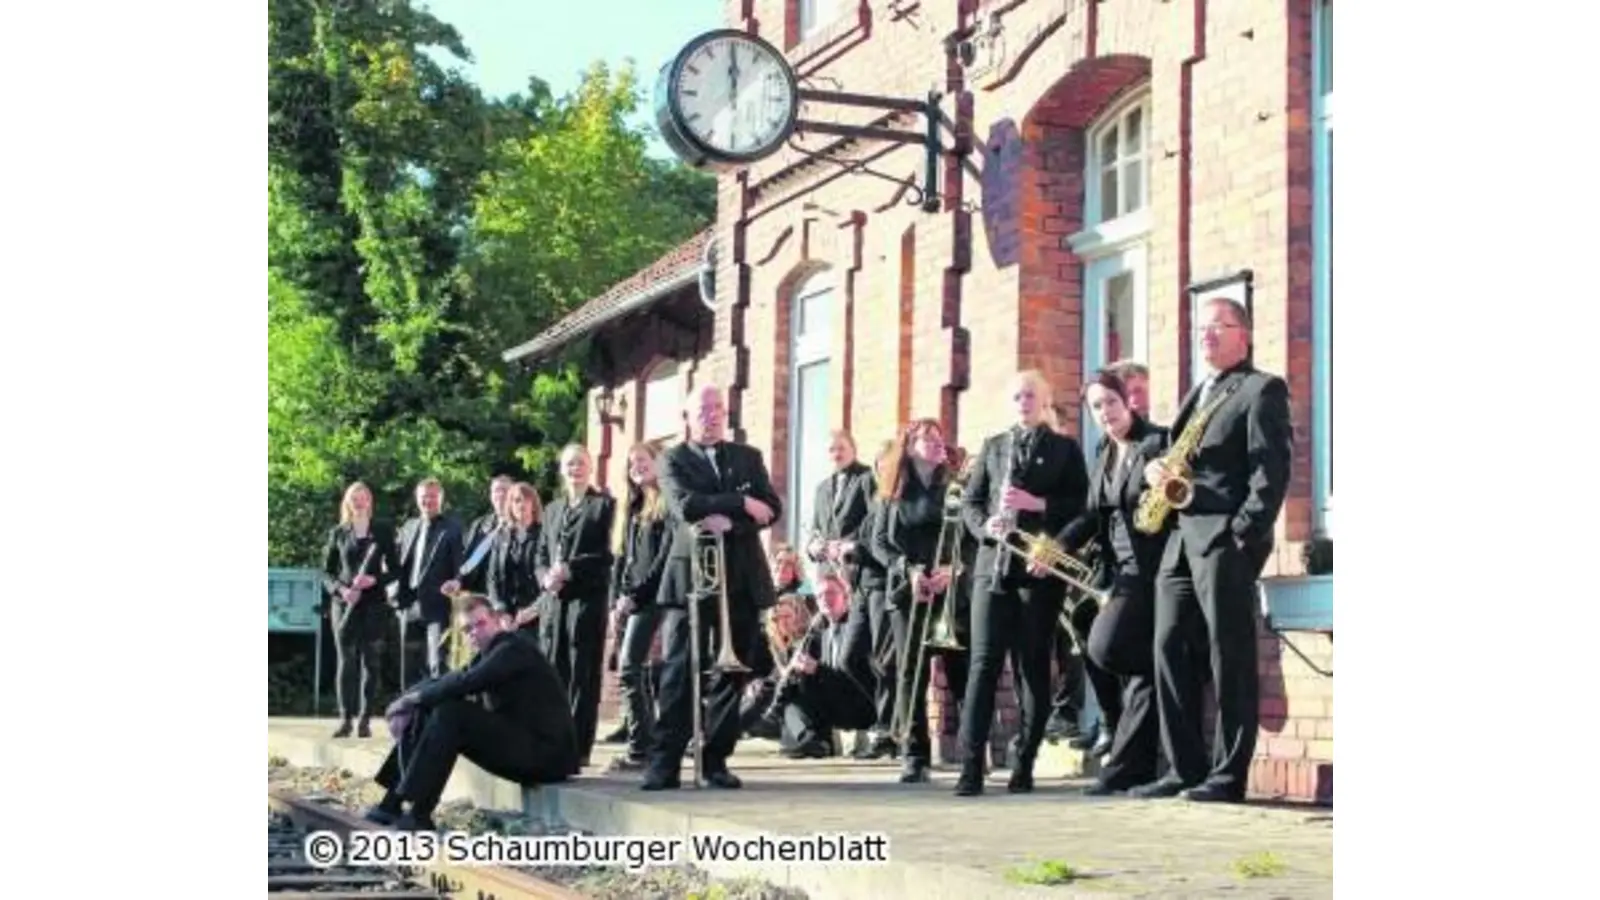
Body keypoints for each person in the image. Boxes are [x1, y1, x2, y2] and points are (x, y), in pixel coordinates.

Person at [1133, 296, 1293, 803]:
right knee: (1167, 647)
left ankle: (1228, 775)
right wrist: (1154, 469)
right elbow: (1183, 458)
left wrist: (1242, 537)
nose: (1206, 336)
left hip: (1222, 539)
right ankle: (1184, 767)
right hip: (1179, 538)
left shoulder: (1261, 388)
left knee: (1231, 656)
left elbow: (1271, 473)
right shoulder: (1197, 392)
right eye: (1201, 328)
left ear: (1243, 334)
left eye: (1218, 327)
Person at [641, 382, 783, 791]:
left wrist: (732, 520)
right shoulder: (672, 459)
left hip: (740, 577)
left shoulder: (748, 457)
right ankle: (664, 764)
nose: (712, 415)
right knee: (679, 672)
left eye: (718, 408)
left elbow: (771, 509)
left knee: (730, 673)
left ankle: (715, 759)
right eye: (703, 410)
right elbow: (686, 505)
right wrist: (740, 503)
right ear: (687, 418)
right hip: (691, 578)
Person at [955, 370, 1089, 796]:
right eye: (1016, 396)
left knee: (1032, 667)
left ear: (1046, 400)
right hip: (993, 569)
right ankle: (971, 767)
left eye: (1031, 395)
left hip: (1038, 570)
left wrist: (1039, 504)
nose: (1023, 402)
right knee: (983, 666)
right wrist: (985, 525)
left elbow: (1084, 509)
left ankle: (1025, 763)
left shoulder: (1065, 450)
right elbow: (971, 504)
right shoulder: (995, 447)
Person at [365, 594, 578, 831]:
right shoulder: (487, 654)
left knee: (452, 713)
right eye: (467, 629)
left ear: (496, 620)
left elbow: (470, 680)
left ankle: (419, 814)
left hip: (546, 755)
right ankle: (392, 803)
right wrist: (407, 702)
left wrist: (411, 701)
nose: (474, 632)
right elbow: (450, 679)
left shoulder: (514, 647)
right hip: (521, 744)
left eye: (480, 624)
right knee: (433, 706)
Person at [1055, 370, 1171, 793]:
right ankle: (1130, 766)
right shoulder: (1104, 451)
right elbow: (1092, 514)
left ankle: (1129, 762)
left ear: (1128, 401)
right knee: (1144, 670)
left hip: (1152, 570)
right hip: (1119, 570)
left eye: (1111, 403)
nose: (1105, 413)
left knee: (1108, 647)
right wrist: (1059, 545)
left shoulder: (1158, 442)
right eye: (1096, 407)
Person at [871, 418, 960, 783]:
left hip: (948, 589)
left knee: (961, 668)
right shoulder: (892, 492)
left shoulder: (954, 487)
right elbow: (878, 542)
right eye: (928, 438)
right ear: (909, 447)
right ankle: (914, 752)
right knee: (911, 672)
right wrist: (906, 569)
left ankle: (972, 747)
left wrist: (952, 569)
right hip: (908, 591)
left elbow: (968, 535)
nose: (938, 443)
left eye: (940, 437)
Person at [535, 444, 617, 771]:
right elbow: (541, 555)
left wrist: (571, 569)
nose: (575, 469)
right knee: (555, 674)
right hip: (555, 604)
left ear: (591, 468)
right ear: (561, 469)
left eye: (581, 463)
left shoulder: (604, 507)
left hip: (587, 601)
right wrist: (545, 578)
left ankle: (579, 747)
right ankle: (554, 743)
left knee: (582, 676)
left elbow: (607, 556)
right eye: (569, 464)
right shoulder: (552, 509)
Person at [607, 442, 673, 771]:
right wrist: (616, 599)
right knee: (637, 672)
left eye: (643, 460)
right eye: (632, 462)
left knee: (630, 669)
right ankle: (646, 744)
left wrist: (635, 595)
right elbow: (623, 561)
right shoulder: (631, 508)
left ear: (657, 463)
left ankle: (640, 749)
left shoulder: (666, 505)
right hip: (631, 598)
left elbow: (660, 561)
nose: (637, 466)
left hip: (651, 598)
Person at [321, 481, 401, 739]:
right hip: (344, 604)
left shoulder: (382, 531)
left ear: (370, 501)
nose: (359, 501)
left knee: (371, 661)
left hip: (374, 603)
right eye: (354, 498)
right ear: (347, 502)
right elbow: (325, 572)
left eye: (363, 497)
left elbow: (397, 569)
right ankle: (345, 719)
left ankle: (365, 720)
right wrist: (342, 591)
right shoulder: (338, 533)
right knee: (346, 660)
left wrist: (375, 580)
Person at [769, 574, 876, 757]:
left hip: (859, 705)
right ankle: (808, 739)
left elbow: (853, 681)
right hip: (832, 703)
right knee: (793, 695)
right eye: (820, 596)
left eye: (831, 593)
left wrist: (817, 670)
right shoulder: (822, 633)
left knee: (794, 696)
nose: (825, 599)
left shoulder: (856, 628)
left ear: (845, 596)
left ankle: (806, 739)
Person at [393, 478, 465, 683]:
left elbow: (461, 566)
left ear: (441, 498)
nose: (428, 501)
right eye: (424, 497)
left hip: (438, 605)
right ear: (417, 499)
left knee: (437, 663)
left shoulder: (453, 528)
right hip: (408, 605)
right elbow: (396, 563)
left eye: (433, 496)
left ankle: (438, 713)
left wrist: (457, 581)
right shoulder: (408, 526)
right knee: (408, 666)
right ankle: (410, 711)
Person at [487, 481, 542, 631]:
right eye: (516, 500)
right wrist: (500, 610)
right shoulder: (502, 537)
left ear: (534, 504)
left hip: (537, 618)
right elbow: (493, 578)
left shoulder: (544, 535)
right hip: (506, 618)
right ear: (509, 505)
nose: (521, 504)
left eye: (526, 499)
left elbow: (549, 582)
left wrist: (534, 610)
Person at [461, 476, 514, 595]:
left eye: (505, 490)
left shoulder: (522, 526)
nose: (500, 494)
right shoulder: (479, 525)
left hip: (506, 598)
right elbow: (467, 559)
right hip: (476, 595)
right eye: (496, 490)